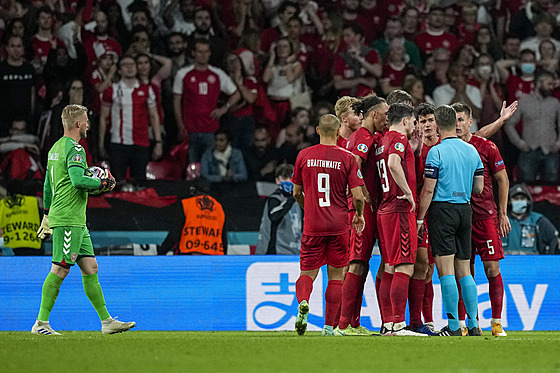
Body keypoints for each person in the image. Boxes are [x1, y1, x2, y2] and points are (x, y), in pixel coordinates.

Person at [32, 104, 134, 335]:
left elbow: (48, 185)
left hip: (74, 219)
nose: (88, 124)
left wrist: (47, 214)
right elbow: (79, 180)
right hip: (68, 218)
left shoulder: (54, 149)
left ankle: (107, 322)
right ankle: (41, 323)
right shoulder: (76, 149)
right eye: (86, 121)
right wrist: (102, 183)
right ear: (78, 124)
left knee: (90, 267)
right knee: (60, 269)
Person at [292, 114, 365, 336]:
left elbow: (296, 192)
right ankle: (328, 327)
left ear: (317, 130)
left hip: (313, 225)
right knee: (335, 276)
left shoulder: (304, 155)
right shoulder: (348, 158)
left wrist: (309, 208)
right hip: (339, 224)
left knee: (307, 272)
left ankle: (304, 302)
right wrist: (359, 215)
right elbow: (359, 197)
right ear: (336, 132)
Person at [416, 104, 484, 336]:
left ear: (437, 124)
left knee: (446, 271)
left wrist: (419, 219)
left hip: (442, 211)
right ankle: (474, 324)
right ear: (456, 123)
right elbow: (479, 188)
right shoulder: (472, 151)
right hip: (465, 210)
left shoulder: (436, 152)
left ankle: (454, 326)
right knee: (464, 270)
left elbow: (427, 190)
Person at [453, 102, 511, 337]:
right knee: (464, 271)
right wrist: (500, 121)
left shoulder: (486, 147)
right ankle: (467, 322)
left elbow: (503, 179)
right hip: (460, 218)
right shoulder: (448, 147)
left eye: (460, 120)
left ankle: (496, 322)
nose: (456, 124)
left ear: (469, 121)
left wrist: (503, 213)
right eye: (453, 120)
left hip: (485, 217)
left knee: (492, 268)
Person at [335, 95, 387, 336]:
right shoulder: (363, 137)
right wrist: (364, 194)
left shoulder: (368, 136)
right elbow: (354, 163)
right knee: (356, 263)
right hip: (362, 209)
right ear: (374, 114)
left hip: (368, 206)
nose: (387, 119)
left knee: (362, 264)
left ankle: (353, 323)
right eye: (385, 114)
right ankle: (343, 324)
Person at [373, 103, 425, 336]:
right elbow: (394, 164)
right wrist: (408, 192)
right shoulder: (397, 139)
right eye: (414, 122)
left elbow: (393, 161)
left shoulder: (383, 140)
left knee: (391, 266)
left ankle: (388, 324)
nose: (415, 126)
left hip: (384, 208)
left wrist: (414, 148)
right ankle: (398, 324)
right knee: (405, 265)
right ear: (405, 121)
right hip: (399, 207)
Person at [173, 38, 240, 163]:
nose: (203, 55)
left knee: (210, 166)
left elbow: (236, 94)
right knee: (190, 167)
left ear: (210, 53)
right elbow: (176, 101)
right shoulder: (183, 74)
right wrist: (180, 126)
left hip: (211, 129)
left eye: (206, 51)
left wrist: (223, 109)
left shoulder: (217, 74)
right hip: (190, 129)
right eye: (200, 51)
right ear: (193, 53)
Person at [99, 55, 163, 183]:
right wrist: (101, 144)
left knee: (140, 183)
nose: (129, 68)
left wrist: (158, 142)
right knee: (117, 184)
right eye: (125, 65)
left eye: (132, 65)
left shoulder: (146, 90)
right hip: (118, 143)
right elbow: (103, 118)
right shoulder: (112, 90)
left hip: (141, 143)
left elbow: (154, 117)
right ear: (119, 70)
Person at [504, 71, 560, 183]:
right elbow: (509, 124)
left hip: (550, 151)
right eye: (549, 84)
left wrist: (559, 143)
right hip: (529, 150)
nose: (551, 87)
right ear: (539, 83)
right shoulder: (523, 102)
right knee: (526, 186)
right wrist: (520, 143)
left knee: (552, 188)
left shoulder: (555, 103)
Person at [158, 182, 226, 255]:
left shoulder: (186, 204)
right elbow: (223, 238)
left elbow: (175, 234)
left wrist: (161, 252)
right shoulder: (219, 208)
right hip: (213, 257)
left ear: (193, 190)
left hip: (189, 256)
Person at [255, 163, 302, 255]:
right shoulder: (275, 199)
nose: (288, 181)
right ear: (277, 180)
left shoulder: (297, 202)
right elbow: (274, 216)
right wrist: (292, 198)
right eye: (284, 178)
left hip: (294, 251)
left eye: (291, 178)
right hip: (275, 251)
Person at [503, 184, 559, 255]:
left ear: (528, 201)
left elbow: (554, 238)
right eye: (516, 198)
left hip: (532, 263)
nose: (519, 201)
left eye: (522, 198)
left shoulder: (538, 220)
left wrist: (548, 258)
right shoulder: (501, 220)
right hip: (505, 263)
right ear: (509, 201)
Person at [0, 180, 43, 256]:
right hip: (34, 245)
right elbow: (46, 221)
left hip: (10, 246)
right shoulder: (35, 201)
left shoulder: (2, 204)